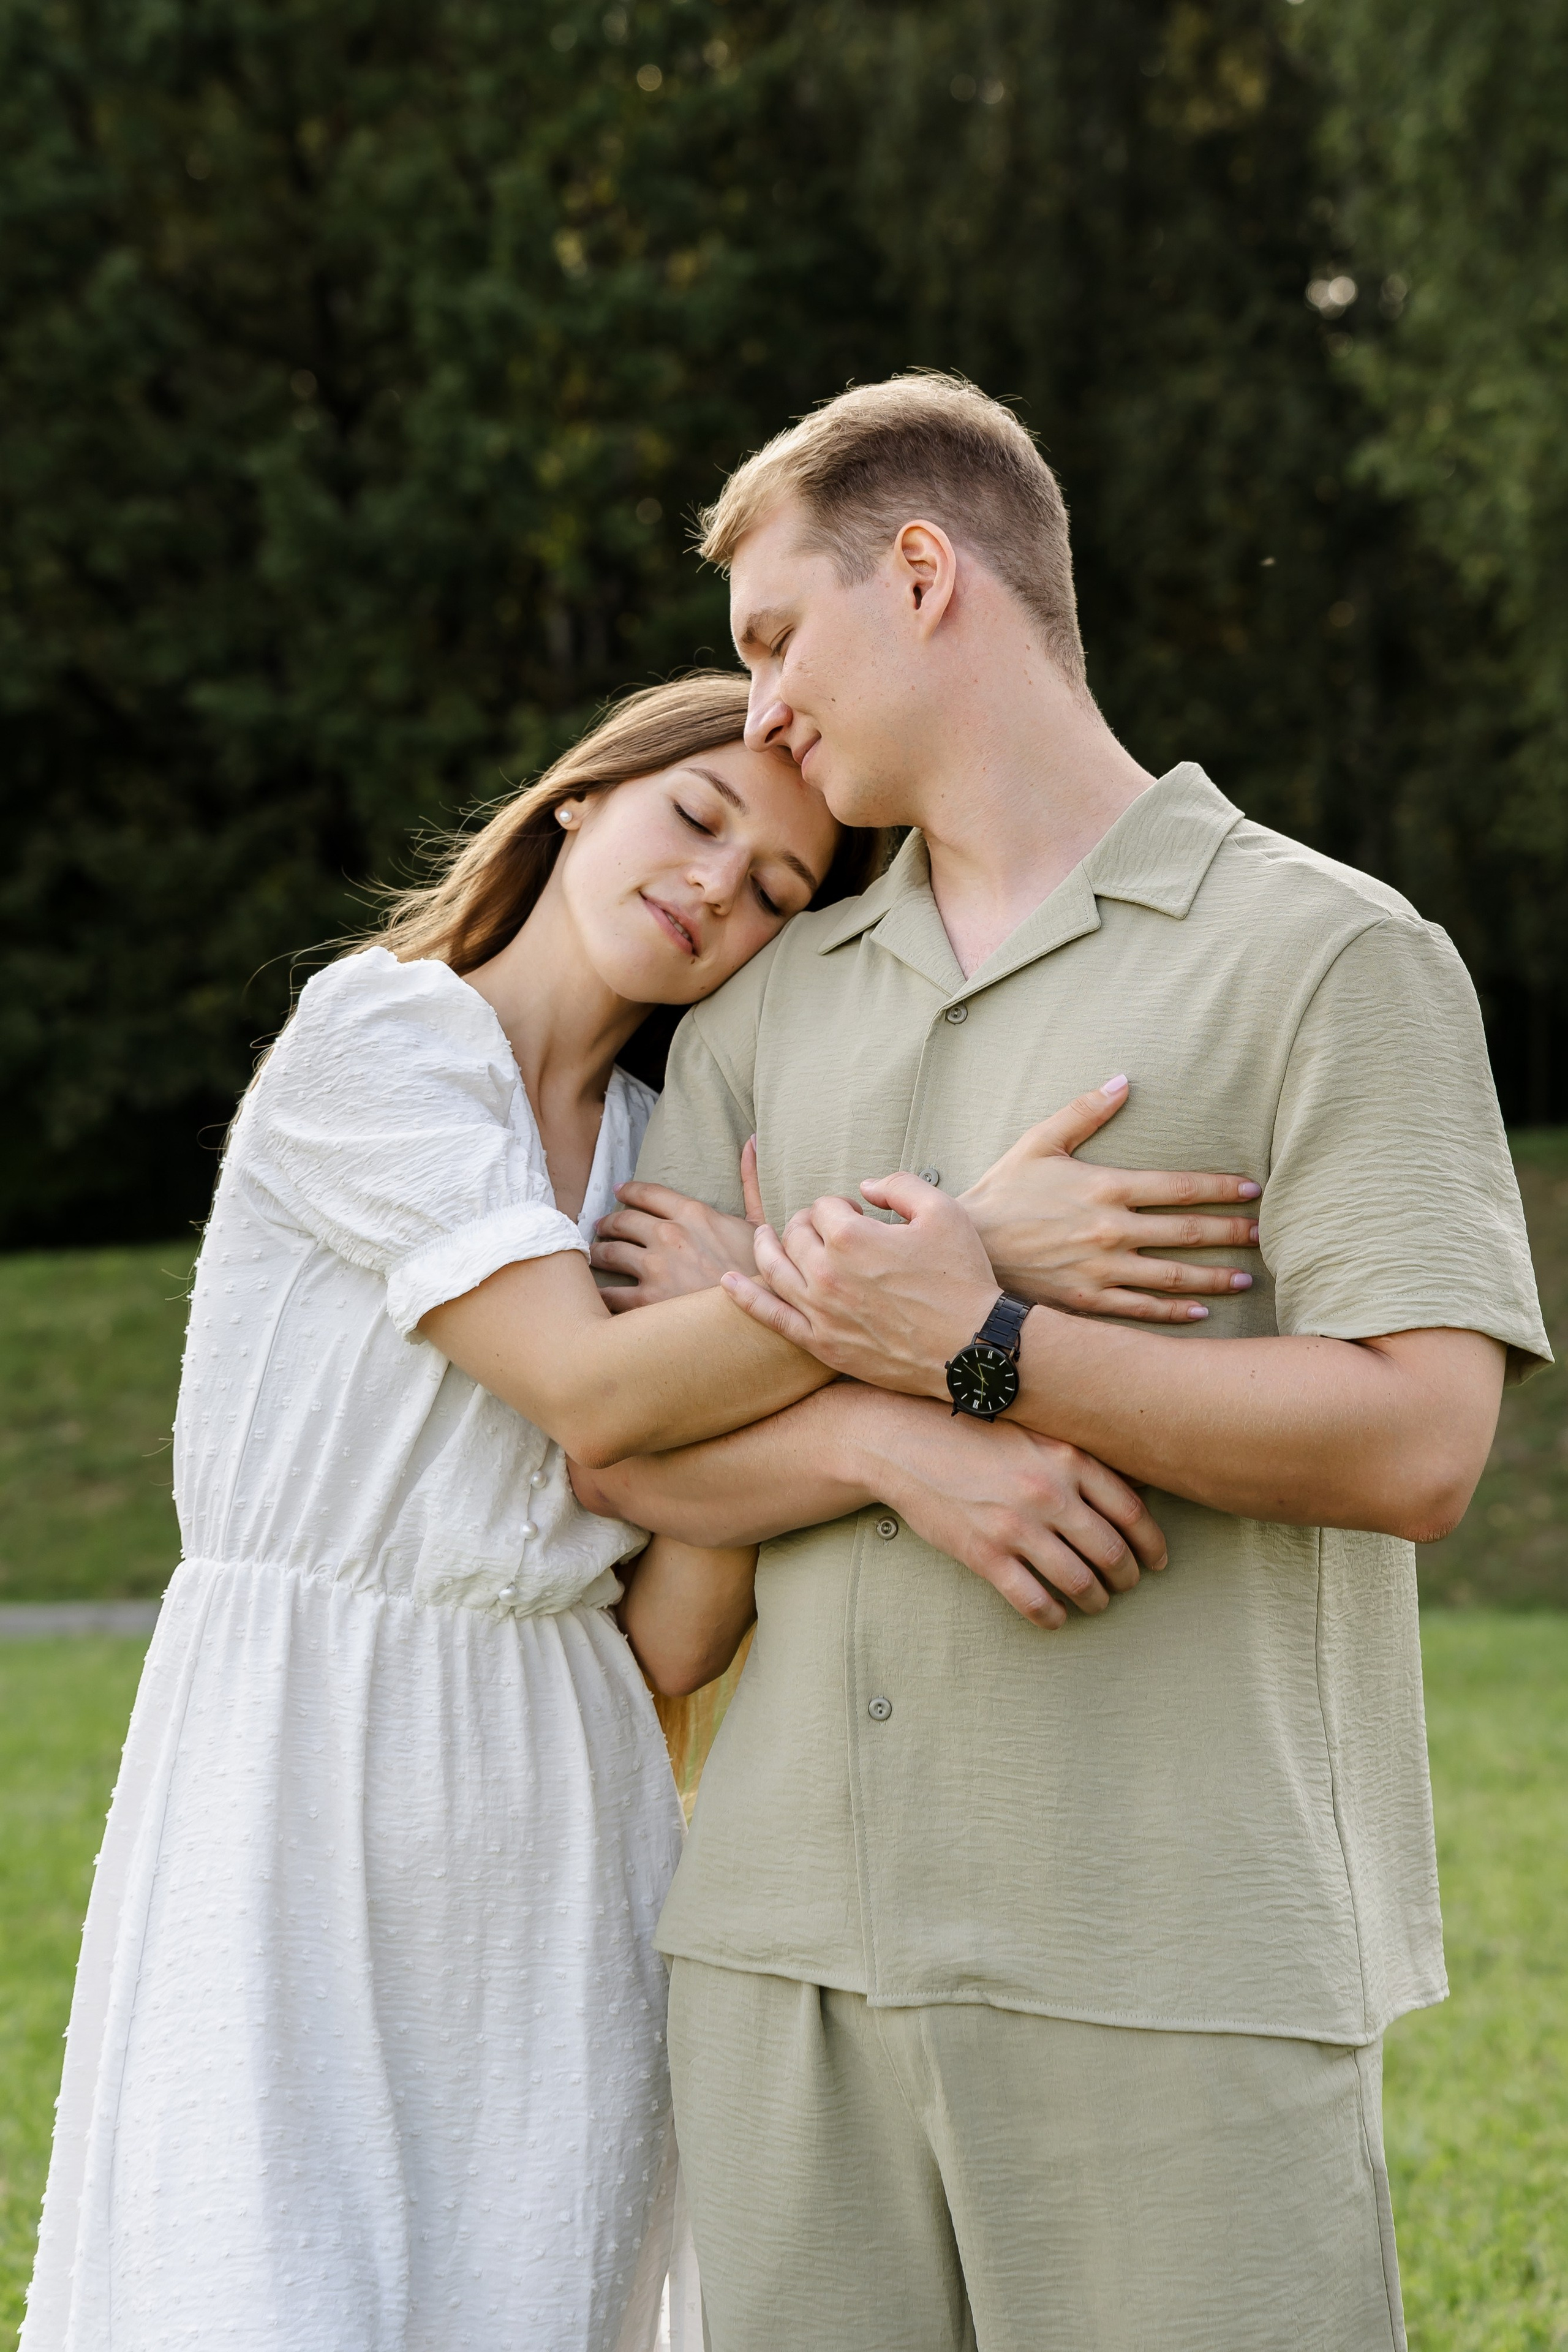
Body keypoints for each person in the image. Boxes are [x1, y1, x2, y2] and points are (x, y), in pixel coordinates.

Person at [21, 670, 1254, 2352]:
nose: (717, 889)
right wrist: (957, 1260)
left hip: (569, 1795)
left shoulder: (665, 1163)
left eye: (773, 893)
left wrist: (835, 1394)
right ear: (580, 798)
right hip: (303, 1762)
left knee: (534, 2290)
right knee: (259, 2281)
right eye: (697, 819)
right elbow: (594, 1396)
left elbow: (669, 1634)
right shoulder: (383, 1040)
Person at [575, 375, 1551, 2352]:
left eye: (777, 638)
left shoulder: (1332, 958)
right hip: (783, 1969)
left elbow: (1425, 1440)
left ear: (923, 572)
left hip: (1173, 1949)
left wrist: (985, 1344)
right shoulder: (759, 1012)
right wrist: (891, 1390)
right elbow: (637, 1463)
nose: (757, 708)